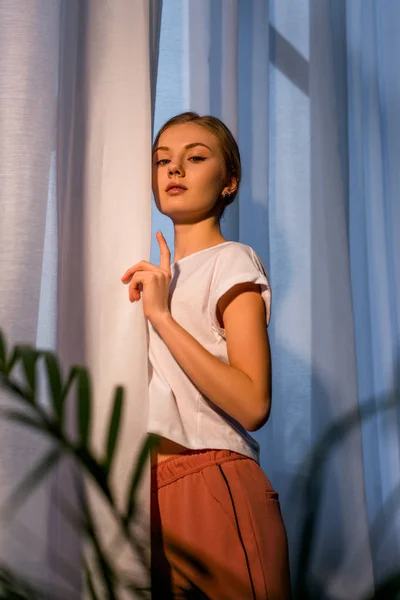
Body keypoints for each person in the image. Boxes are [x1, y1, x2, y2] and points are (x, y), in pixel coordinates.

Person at [121, 112, 291, 599]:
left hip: (212, 479)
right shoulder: (156, 277)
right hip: (146, 494)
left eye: (195, 157)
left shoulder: (232, 259)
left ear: (229, 182)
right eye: (162, 161)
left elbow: (254, 403)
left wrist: (162, 318)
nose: (174, 169)